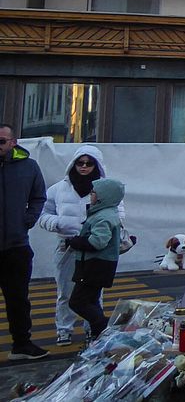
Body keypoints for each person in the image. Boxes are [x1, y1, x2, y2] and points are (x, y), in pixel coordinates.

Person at [38, 146, 126, 345]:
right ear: (73, 163)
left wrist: (103, 228)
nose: (84, 167)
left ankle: (92, 329)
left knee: (93, 293)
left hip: (95, 249)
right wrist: (58, 223)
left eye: (89, 163)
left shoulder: (106, 189)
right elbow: (42, 213)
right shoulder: (58, 189)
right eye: (80, 162)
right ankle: (64, 329)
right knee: (65, 291)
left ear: (97, 165)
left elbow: (118, 215)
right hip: (67, 244)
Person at [0, 123, 48, 360]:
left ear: (13, 142)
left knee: (18, 299)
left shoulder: (28, 166)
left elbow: (39, 196)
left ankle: (21, 344)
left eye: (1, 141)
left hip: (16, 246)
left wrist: (27, 219)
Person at [65, 178, 126, 339]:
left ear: (103, 197)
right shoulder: (106, 213)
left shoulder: (102, 217)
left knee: (77, 302)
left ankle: (104, 326)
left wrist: (75, 242)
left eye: (93, 192)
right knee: (91, 301)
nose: (90, 195)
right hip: (99, 266)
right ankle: (99, 336)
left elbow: (97, 242)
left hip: (94, 266)